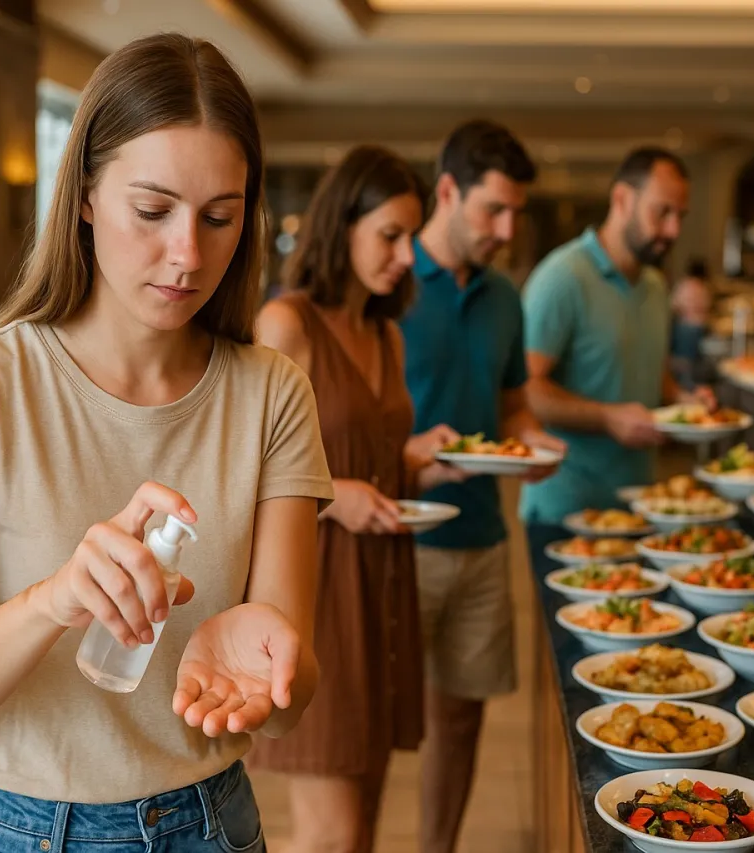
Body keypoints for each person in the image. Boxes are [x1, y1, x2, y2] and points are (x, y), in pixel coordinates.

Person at [0, 34, 333, 853]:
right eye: (152, 212)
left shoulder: (272, 393)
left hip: (211, 822)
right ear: (84, 195)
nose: (189, 254)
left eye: (220, 218)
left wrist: (274, 671)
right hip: (17, 829)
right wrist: (53, 599)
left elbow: (291, 693)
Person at [251, 145, 468, 853]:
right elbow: (241, 476)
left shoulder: (384, 333)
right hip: (316, 593)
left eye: (412, 235)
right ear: (340, 225)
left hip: (382, 587)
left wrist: (417, 463)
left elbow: (366, 461)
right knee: (331, 837)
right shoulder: (287, 326)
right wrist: (332, 496)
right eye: (391, 235)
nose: (408, 255)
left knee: (366, 822)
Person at [399, 119, 565, 853]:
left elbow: (511, 407)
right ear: (446, 190)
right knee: (377, 728)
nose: (505, 228)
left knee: (462, 719)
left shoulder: (505, 295)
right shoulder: (388, 278)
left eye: (515, 213)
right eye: (491, 209)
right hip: (397, 535)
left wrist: (532, 443)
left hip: (481, 537)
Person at [520, 147, 713, 524]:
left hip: (640, 503)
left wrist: (687, 402)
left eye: (680, 216)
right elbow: (526, 390)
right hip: (566, 507)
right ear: (622, 199)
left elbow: (647, 372)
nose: (674, 230)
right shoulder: (562, 278)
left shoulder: (656, 286)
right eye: (662, 212)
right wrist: (607, 418)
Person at [670, 257, 712, 387]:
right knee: (692, 363)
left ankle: (685, 384)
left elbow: (673, 305)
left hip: (683, 329)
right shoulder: (704, 288)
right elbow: (708, 307)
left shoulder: (683, 285)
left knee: (684, 363)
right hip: (699, 329)